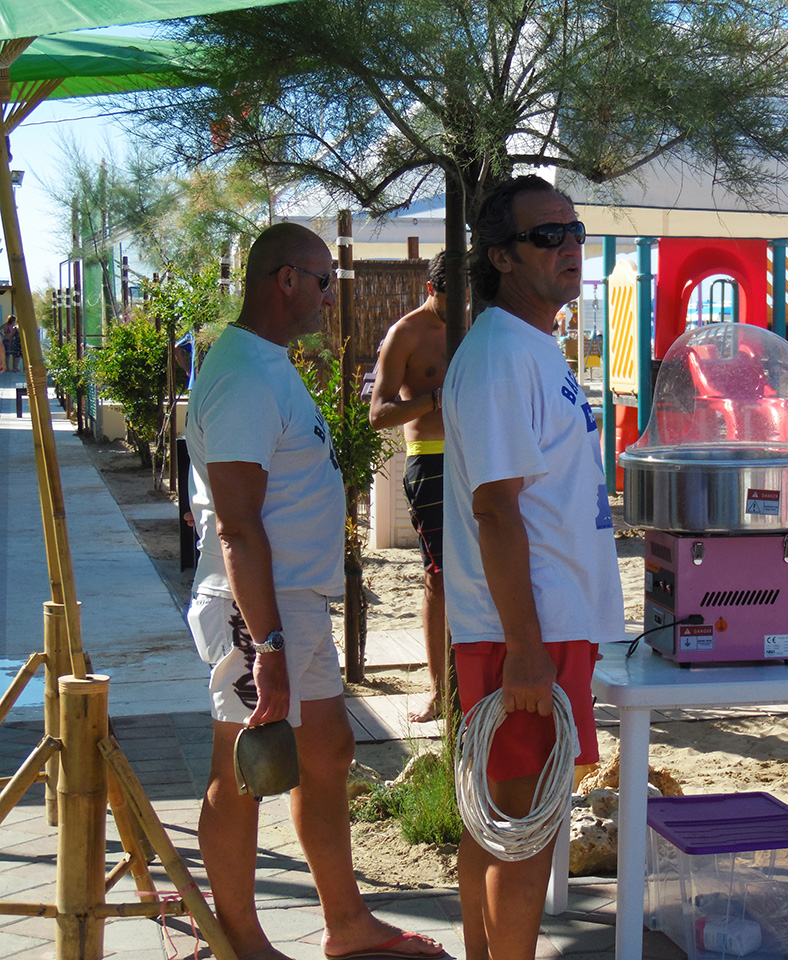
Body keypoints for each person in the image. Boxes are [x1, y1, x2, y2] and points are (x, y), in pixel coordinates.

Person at [185, 223, 442, 960]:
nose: (333, 297)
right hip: (254, 606)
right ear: (285, 280)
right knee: (239, 769)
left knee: (325, 751)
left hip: (290, 602)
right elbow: (237, 528)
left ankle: (346, 924)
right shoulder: (241, 375)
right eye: (324, 282)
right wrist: (264, 643)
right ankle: (239, 941)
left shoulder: (266, 364)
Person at [442, 175, 625, 960]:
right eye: (549, 235)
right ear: (501, 257)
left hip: (545, 625)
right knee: (521, 827)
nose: (571, 247)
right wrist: (522, 644)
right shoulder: (498, 355)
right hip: (524, 631)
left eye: (575, 231)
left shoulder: (530, 347)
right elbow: (494, 508)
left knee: (506, 820)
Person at [368, 251, 452, 724]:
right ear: (430, 290)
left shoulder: (477, 325)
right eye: (448, 298)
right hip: (431, 460)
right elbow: (378, 414)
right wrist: (433, 398)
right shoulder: (407, 333)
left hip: (478, 461)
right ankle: (439, 690)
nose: (458, 307)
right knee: (438, 577)